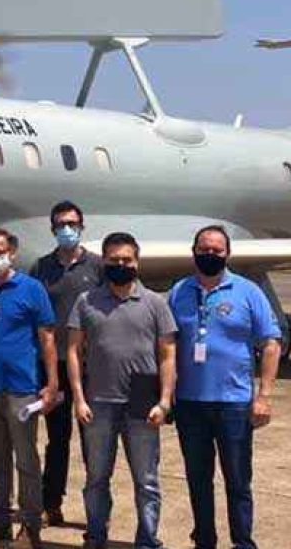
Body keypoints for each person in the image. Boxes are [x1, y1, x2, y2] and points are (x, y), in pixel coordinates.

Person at [168, 226, 282, 549]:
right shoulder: (179, 292)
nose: (210, 255)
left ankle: (243, 542)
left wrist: (264, 396)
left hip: (234, 404)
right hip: (190, 404)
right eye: (204, 249)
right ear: (193, 250)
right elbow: (167, 346)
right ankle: (204, 540)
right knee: (198, 480)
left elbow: (271, 345)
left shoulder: (247, 292)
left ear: (227, 254)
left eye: (217, 250)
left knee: (238, 480)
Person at [67, 233, 176, 549]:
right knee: (96, 479)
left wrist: (165, 400)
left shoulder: (155, 303)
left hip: (143, 405)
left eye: (126, 260)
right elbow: (73, 350)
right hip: (98, 403)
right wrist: (78, 397)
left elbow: (168, 354)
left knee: (146, 481)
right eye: (113, 260)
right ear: (104, 261)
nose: (120, 265)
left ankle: (147, 539)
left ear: (137, 262)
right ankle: (96, 536)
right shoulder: (86, 302)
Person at [0, 228, 58, 549]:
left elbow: (47, 337)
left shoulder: (32, 289)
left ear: (13, 253)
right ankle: (0, 519)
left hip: (21, 388)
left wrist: (52, 383)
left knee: (26, 459)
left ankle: (30, 526)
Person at [29, 200, 103, 527]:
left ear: (82, 226)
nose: (67, 229)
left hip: (91, 368)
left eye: (72, 223)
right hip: (54, 368)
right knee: (57, 439)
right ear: (52, 229)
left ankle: (96, 509)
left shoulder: (98, 267)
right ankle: (51, 503)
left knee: (93, 441)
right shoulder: (41, 268)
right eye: (60, 224)